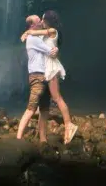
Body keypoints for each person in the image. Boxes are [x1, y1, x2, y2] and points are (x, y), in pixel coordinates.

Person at [20, 9, 78, 144]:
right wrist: (27, 33)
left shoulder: (52, 31)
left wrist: (27, 32)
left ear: (47, 21)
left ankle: (69, 124)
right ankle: (43, 139)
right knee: (44, 108)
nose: (41, 21)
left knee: (57, 97)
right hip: (45, 70)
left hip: (51, 68)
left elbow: (34, 32)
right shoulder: (43, 35)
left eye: (42, 19)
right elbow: (36, 37)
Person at [15, 14, 57, 142]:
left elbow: (50, 35)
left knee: (44, 109)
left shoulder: (35, 36)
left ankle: (43, 139)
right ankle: (18, 138)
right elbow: (50, 51)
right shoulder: (33, 39)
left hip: (45, 75)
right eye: (39, 20)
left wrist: (26, 33)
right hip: (37, 76)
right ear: (33, 25)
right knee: (31, 108)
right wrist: (53, 50)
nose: (41, 21)